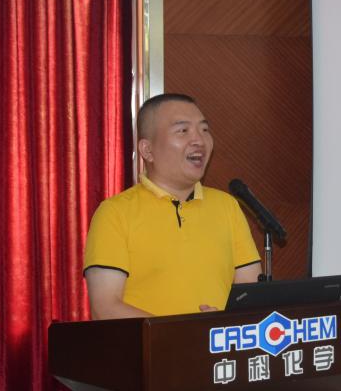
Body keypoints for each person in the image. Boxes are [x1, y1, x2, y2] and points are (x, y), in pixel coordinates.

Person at [82, 94, 262, 318]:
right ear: (147, 150)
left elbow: (251, 296)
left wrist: (221, 326)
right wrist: (181, 333)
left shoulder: (227, 206)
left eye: (204, 129)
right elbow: (105, 309)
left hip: (214, 341)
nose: (199, 140)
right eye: (183, 131)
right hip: (151, 343)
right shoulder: (114, 213)